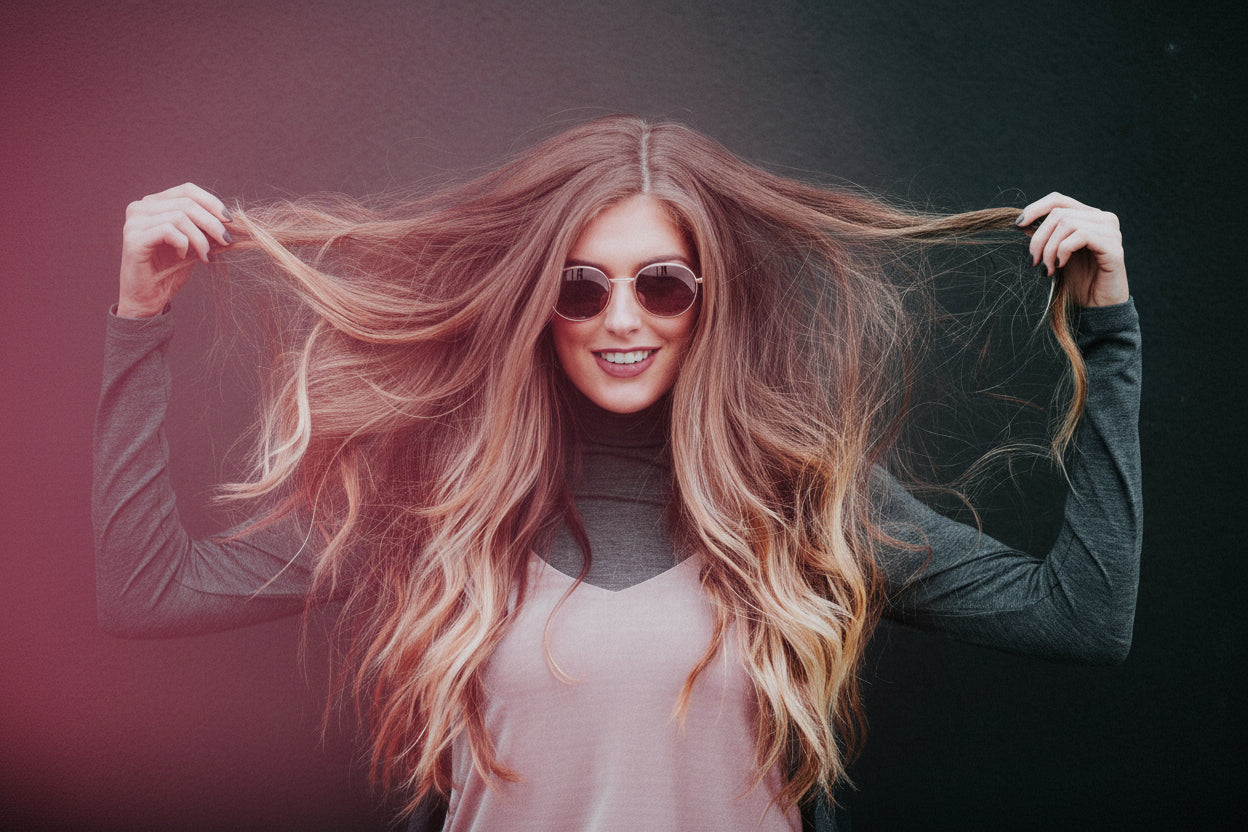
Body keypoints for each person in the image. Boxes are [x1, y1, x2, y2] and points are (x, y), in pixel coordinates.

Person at [93, 115, 1141, 831]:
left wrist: (1109, 333)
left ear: (707, 300)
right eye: (581, 288)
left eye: (664, 284)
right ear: (538, 304)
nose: (623, 318)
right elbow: (148, 592)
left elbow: (1081, 614)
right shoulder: (439, 507)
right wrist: (141, 317)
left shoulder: (806, 508)